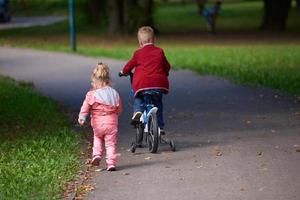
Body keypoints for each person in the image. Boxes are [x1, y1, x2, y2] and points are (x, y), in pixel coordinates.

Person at [120, 26, 170, 134]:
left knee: (139, 97)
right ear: (154, 39)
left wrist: (123, 72)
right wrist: (165, 71)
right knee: (158, 104)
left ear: (140, 42)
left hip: (142, 85)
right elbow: (167, 66)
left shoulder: (138, 53)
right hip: (158, 85)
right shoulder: (160, 51)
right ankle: (160, 126)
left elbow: (129, 66)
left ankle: (138, 112)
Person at [78, 62, 122, 171]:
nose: (92, 85)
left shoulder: (92, 94)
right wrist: (115, 115)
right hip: (111, 124)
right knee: (111, 144)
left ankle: (96, 155)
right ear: (107, 80)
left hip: (98, 125)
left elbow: (85, 108)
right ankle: (111, 163)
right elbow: (119, 109)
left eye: (93, 83)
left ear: (96, 82)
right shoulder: (115, 93)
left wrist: (82, 118)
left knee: (97, 138)